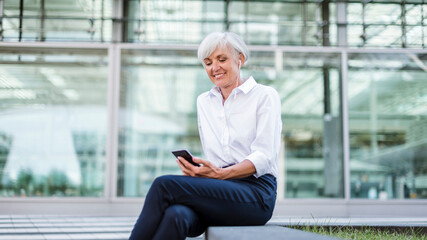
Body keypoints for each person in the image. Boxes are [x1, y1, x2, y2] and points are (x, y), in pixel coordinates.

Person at [129, 32, 282, 240]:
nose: (214, 68)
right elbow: (216, 160)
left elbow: (264, 156)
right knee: (176, 215)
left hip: (256, 193)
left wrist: (220, 174)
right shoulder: (204, 102)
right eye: (208, 62)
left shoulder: (264, 96)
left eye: (222, 59)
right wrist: (199, 173)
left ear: (240, 59)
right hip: (219, 189)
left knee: (163, 185)